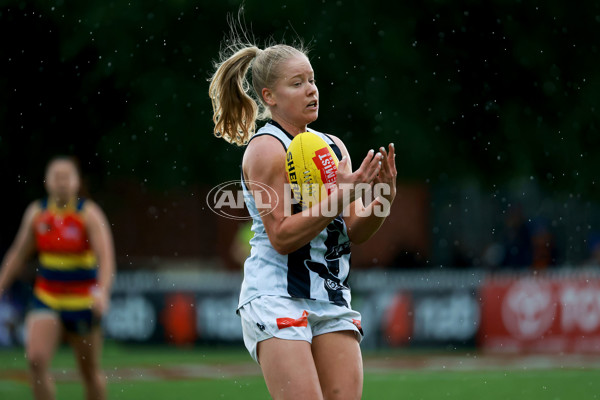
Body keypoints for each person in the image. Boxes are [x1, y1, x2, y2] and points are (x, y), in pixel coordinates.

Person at [208, 36, 397, 399]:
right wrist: (342, 195)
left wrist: (384, 197)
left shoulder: (333, 146)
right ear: (269, 97)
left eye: (311, 80)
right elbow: (280, 236)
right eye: (297, 83)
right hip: (276, 294)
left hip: (329, 295)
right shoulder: (266, 149)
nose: (311, 90)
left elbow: (355, 231)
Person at [0, 156, 115, 400]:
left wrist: (103, 292)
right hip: (47, 298)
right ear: (47, 181)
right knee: (36, 361)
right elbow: (17, 255)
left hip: (83, 303)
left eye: (67, 177)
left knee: (89, 372)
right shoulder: (37, 214)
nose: (61, 182)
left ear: (76, 182)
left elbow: (106, 259)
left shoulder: (89, 214)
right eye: (56, 177)